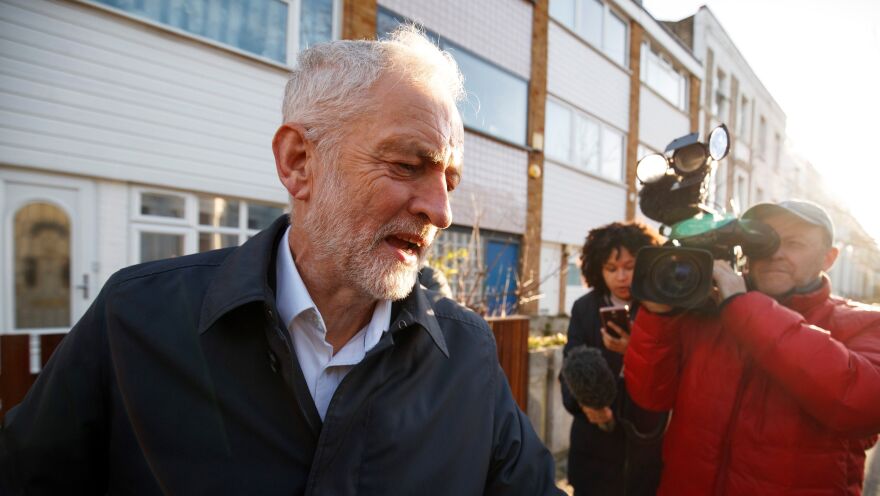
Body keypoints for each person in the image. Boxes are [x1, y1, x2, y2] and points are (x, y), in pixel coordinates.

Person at [0, 27, 561, 495]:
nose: (440, 211)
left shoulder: (467, 355)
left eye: (450, 180)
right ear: (298, 163)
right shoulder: (134, 321)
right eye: (408, 165)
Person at [624, 200, 880, 495]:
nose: (774, 253)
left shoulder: (864, 324)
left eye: (794, 243)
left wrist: (743, 307)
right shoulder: (707, 311)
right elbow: (649, 395)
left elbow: (864, 406)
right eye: (762, 240)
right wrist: (658, 315)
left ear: (829, 258)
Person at [560, 222, 668, 495]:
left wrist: (633, 350)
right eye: (611, 269)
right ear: (598, 269)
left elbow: (670, 373)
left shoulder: (661, 308)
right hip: (594, 448)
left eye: (629, 267)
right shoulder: (584, 308)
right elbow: (569, 367)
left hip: (644, 444)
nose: (621, 277)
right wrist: (585, 405)